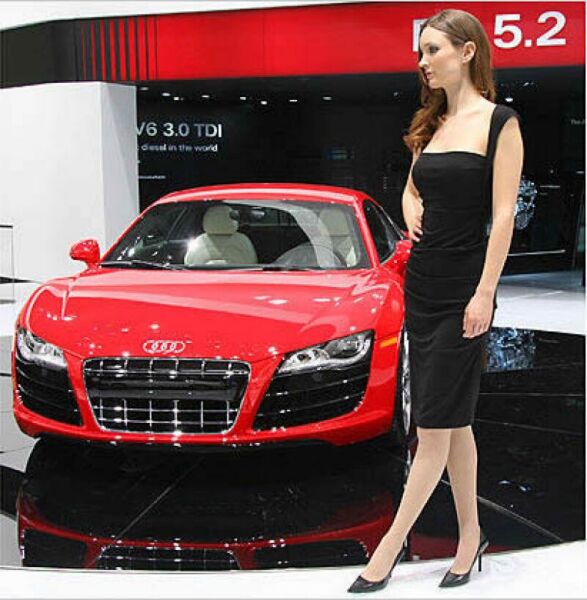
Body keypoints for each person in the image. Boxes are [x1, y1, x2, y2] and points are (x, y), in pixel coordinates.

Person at [347, 8, 524, 593]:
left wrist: (485, 293)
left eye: (432, 50)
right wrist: (411, 207)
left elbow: (504, 216)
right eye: (421, 52)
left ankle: (389, 546)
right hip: (422, 286)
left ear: (467, 52)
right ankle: (470, 536)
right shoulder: (433, 124)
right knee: (454, 423)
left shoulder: (500, 123)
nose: (422, 62)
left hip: (465, 292)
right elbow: (411, 186)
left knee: (432, 426)